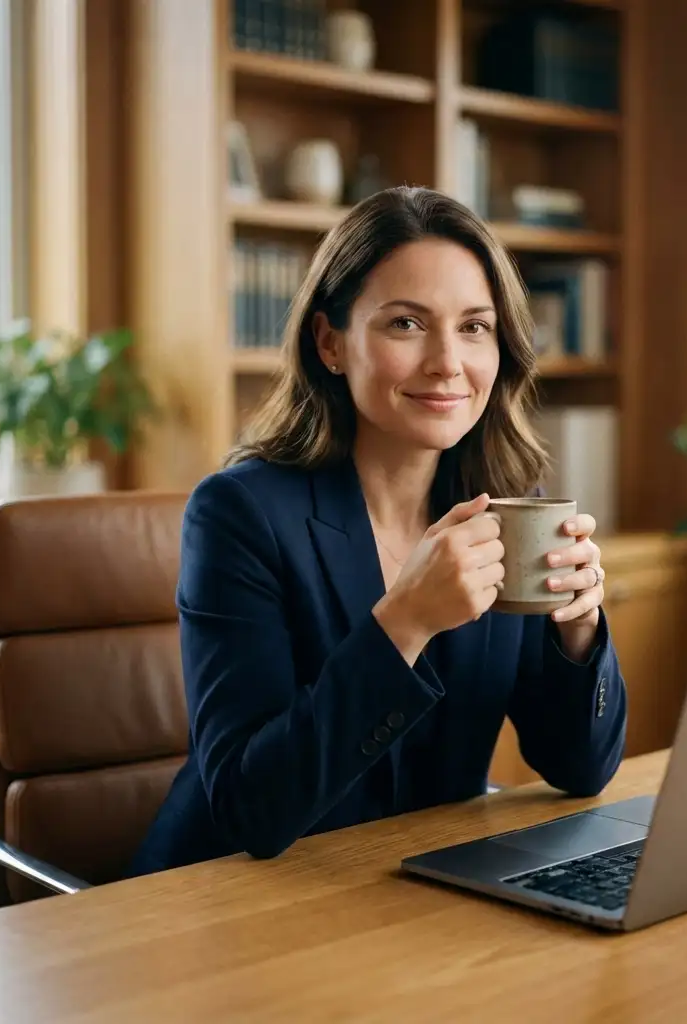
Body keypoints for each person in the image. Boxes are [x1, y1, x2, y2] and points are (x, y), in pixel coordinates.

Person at [129, 186, 627, 876]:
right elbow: (251, 809)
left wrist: (579, 631)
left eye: (475, 327)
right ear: (331, 343)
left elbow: (580, 768)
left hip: (414, 893)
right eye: (406, 324)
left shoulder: (507, 515)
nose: (448, 362)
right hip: (228, 906)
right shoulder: (240, 515)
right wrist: (403, 626)